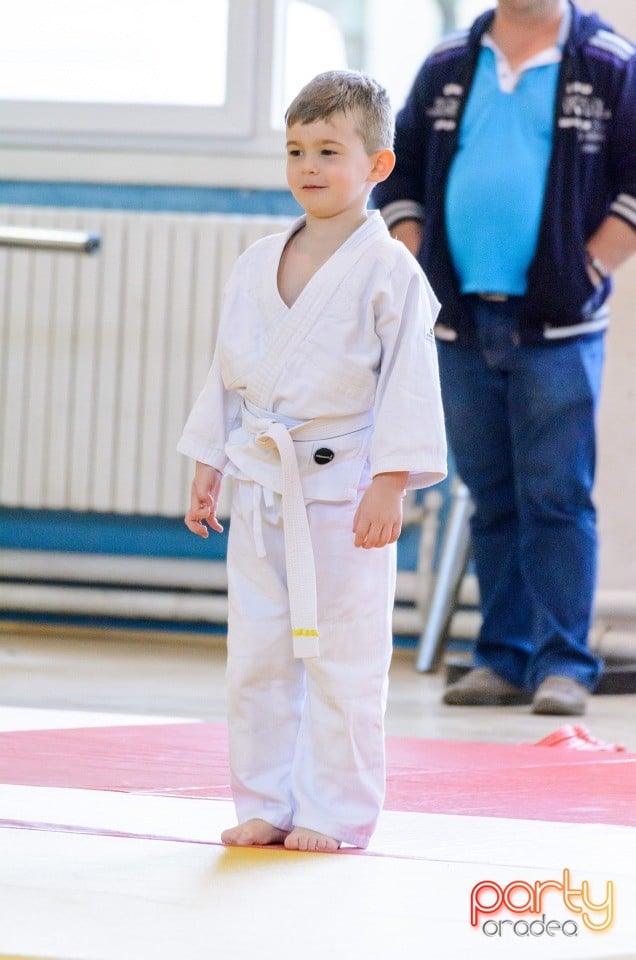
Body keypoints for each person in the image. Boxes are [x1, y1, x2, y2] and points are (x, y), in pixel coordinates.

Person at [177, 71, 447, 851]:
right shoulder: (259, 258)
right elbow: (227, 370)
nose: (309, 166)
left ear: (379, 165)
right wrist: (210, 461)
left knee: (344, 660)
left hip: (344, 487)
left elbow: (409, 381)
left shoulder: (391, 267)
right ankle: (263, 800)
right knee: (256, 654)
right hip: (263, 483)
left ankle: (337, 811)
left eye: (330, 150)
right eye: (297, 149)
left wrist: (391, 483)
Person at [374, 0, 636, 716]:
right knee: (491, 498)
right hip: (461, 321)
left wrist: (587, 270)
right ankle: (504, 657)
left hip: (558, 327)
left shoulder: (609, 63)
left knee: (555, 497)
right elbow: (396, 178)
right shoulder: (448, 62)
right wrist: (418, 261)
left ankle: (562, 664)